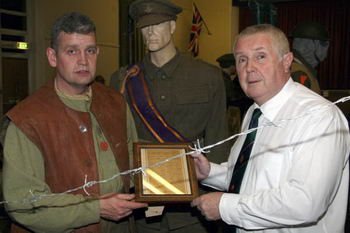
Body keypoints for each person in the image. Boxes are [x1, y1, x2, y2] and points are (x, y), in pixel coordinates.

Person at [191, 24, 350, 233]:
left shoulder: (318, 117)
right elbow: (254, 179)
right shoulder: (255, 112)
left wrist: (225, 206)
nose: (249, 68)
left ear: (286, 62)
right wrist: (211, 173)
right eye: (242, 59)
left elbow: (305, 202)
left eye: (260, 57)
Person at [2, 12, 147, 233]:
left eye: (89, 51)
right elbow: (23, 204)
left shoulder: (115, 103)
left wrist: (170, 179)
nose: (83, 60)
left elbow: (135, 163)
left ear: (97, 53)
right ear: (52, 57)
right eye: (71, 51)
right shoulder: (27, 119)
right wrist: (95, 209)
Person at [110, 0, 230, 232]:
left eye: (158, 24)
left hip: (192, 207)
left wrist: (216, 195)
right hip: (142, 205)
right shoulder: (123, 79)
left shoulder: (208, 76)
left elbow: (218, 140)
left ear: (173, 27)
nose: (151, 32)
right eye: (145, 27)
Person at [290, 21, 330, 94]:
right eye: (323, 44)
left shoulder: (300, 69)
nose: (326, 49)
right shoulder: (299, 74)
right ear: (309, 46)